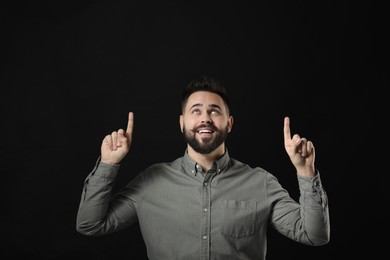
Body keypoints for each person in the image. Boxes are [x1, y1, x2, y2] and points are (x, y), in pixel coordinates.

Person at [76, 75, 330, 260]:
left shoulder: (260, 182)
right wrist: (109, 164)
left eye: (214, 111)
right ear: (182, 122)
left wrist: (305, 171)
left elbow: (314, 235)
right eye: (195, 111)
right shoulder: (150, 182)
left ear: (229, 123)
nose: (205, 118)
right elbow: (90, 224)